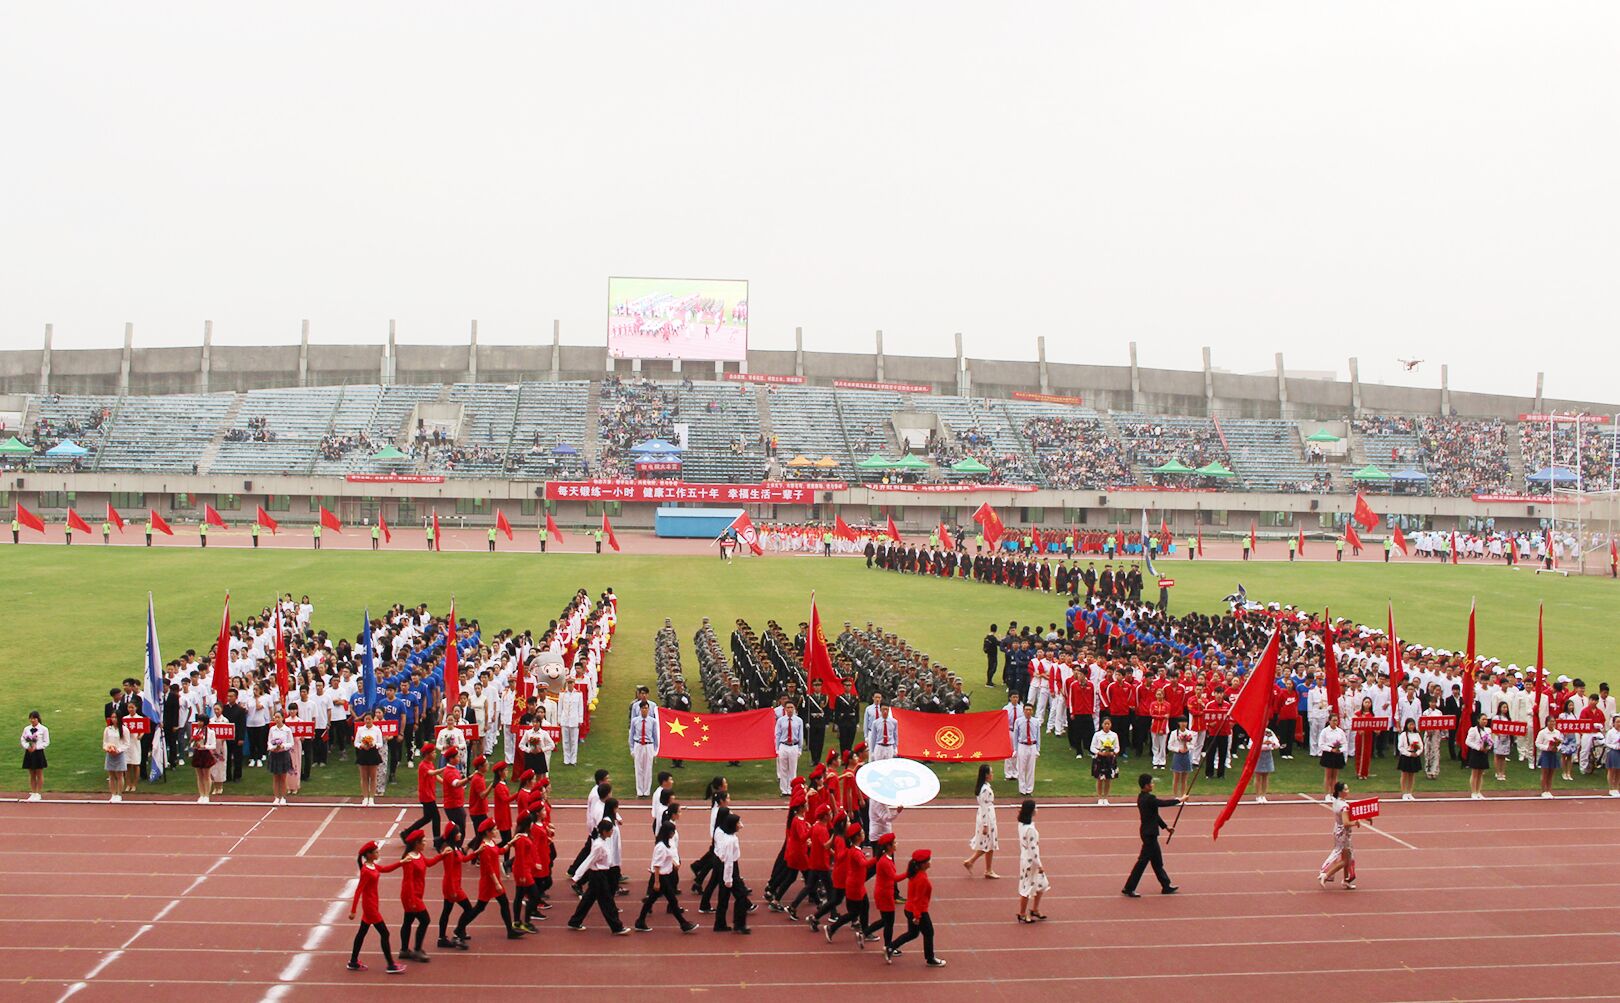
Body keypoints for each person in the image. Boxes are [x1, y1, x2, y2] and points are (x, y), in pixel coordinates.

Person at [456, 819, 524, 941]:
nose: (496, 831)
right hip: (489, 883)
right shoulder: (484, 847)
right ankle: (459, 928)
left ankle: (510, 930)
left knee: (503, 903)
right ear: (488, 832)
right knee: (479, 908)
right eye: (494, 829)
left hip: (494, 881)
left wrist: (511, 842)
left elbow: (500, 851)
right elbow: (489, 868)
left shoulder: (491, 842)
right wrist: (497, 883)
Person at [348, 840, 406, 974]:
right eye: (376, 852)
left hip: (373, 904)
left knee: (362, 933)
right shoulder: (366, 871)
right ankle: (391, 964)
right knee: (385, 933)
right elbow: (358, 890)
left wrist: (401, 862)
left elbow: (385, 869)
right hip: (370, 907)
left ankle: (353, 961)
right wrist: (353, 910)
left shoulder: (372, 866)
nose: (378, 853)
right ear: (369, 855)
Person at [1121, 773, 1179, 898]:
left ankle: (1166, 885)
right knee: (1142, 862)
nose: (1153, 785)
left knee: (1157, 861)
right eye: (1151, 783)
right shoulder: (1150, 798)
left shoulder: (1142, 797)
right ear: (1146, 786)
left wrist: (1165, 827)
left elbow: (1154, 815)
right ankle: (1129, 888)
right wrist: (1179, 800)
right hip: (1149, 835)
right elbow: (1163, 803)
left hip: (1148, 833)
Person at [636, 817, 697, 933]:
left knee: (651, 900)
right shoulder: (661, 847)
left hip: (665, 876)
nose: (674, 833)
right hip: (662, 877)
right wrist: (657, 882)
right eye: (672, 831)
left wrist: (674, 863)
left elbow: (666, 857)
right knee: (672, 900)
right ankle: (683, 924)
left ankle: (640, 921)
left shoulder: (666, 844)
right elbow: (657, 865)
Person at [569, 818, 630, 934]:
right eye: (611, 830)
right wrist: (577, 876)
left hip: (600, 874)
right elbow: (589, 860)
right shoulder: (599, 845)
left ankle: (575, 921)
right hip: (598, 876)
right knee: (607, 901)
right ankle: (617, 927)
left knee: (588, 899)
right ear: (604, 832)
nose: (612, 832)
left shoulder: (602, 842)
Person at [886, 849, 943, 967]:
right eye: (928, 860)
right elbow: (918, 899)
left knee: (912, 933)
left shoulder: (915, 874)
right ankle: (930, 958)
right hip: (918, 911)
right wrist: (917, 916)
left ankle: (891, 947)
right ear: (923, 864)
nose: (930, 862)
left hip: (909, 908)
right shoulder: (922, 878)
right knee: (929, 932)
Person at [395, 830, 440, 962]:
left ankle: (404, 950)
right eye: (423, 841)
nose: (425, 843)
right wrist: (412, 901)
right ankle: (417, 949)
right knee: (425, 920)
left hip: (417, 893)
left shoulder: (418, 855)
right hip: (411, 895)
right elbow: (408, 881)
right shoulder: (409, 859)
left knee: (408, 920)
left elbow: (428, 863)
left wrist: (442, 855)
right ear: (416, 843)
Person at [434, 824, 474, 951]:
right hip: (452, 886)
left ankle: (442, 938)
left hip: (454, 884)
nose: (460, 834)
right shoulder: (449, 851)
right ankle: (458, 933)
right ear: (453, 835)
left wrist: (476, 852)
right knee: (468, 909)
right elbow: (449, 872)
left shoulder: (455, 847)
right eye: (458, 833)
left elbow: (463, 859)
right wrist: (452, 890)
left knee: (447, 911)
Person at [711, 813, 751, 934]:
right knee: (741, 896)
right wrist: (728, 879)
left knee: (723, 897)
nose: (740, 825)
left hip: (722, 866)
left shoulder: (723, 833)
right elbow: (729, 862)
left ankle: (720, 923)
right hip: (729, 869)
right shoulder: (731, 840)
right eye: (738, 823)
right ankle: (739, 924)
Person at [1318, 781, 1358, 889]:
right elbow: (1346, 823)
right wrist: (1356, 823)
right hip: (1344, 834)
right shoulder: (1344, 806)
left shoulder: (1336, 801)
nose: (1348, 791)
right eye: (1345, 789)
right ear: (1340, 792)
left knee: (1345, 856)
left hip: (1337, 830)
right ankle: (1326, 875)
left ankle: (1346, 880)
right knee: (1346, 860)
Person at [962, 764, 1000, 878]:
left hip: (988, 815)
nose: (992, 774)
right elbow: (984, 808)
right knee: (989, 843)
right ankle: (978, 864)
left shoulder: (985, 786)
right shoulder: (985, 789)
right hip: (987, 816)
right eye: (991, 772)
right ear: (986, 775)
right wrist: (985, 824)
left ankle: (984, 867)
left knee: (989, 843)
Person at [865, 833, 901, 953]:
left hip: (886, 892)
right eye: (894, 843)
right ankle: (888, 946)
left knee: (885, 920)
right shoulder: (885, 861)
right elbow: (894, 878)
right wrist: (909, 873)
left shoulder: (886, 858)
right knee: (889, 922)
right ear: (889, 846)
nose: (896, 844)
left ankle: (865, 932)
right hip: (884, 894)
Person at [1014, 799, 1048, 922]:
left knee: (1042, 884)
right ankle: (1022, 913)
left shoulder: (1022, 825)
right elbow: (1033, 850)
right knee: (1027, 886)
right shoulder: (1030, 830)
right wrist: (1039, 865)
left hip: (1025, 857)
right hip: (1030, 861)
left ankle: (1035, 909)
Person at [354, 712, 385, 807]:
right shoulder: (360, 730)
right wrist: (361, 745)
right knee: (364, 777)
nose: (367, 721)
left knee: (373, 776)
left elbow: (380, 743)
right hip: (363, 753)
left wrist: (373, 744)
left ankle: (371, 798)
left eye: (369, 719)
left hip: (373, 753)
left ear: (372, 719)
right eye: (366, 719)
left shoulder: (377, 730)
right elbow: (356, 743)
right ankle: (365, 797)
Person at [774, 701, 804, 796]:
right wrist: (777, 749)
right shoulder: (781, 720)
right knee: (783, 769)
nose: (790, 709)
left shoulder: (799, 721)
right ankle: (784, 790)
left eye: (791, 707)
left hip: (794, 746)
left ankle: (792, 789)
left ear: (794, 708)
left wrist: (800, 749)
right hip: (783, 745)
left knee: (792, 769)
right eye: (788, 707)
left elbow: (800, 735)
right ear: (785, 709)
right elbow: (777, 735)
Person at [266, 711, 295, 805]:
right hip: (274, 754)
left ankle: (283, 797)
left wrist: (283, 746)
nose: (277, 719)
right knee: (275, 777)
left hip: (283, 754)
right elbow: (269, 741)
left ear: (283, 718)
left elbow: (291, 743)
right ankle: (276, 797)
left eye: (278, 717)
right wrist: (272, 748)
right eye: (275, 717)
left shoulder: (287, 730)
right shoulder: (272, 729)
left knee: (283, 777)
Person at [1012, 702, 1040, 796]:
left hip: (1032, 745)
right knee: (1021, 768)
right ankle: (1022, 789)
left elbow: (1038, 736)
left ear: (1032, 711)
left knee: (1031, 769)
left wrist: (1037, 749)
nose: (1028, 711)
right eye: (1026, 710)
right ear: (1023, 711)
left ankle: (1029, 789)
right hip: (1022, 745)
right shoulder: (1018, 721)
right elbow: (1016, 736)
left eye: (1030, 710)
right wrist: (1015, 749)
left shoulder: (1036, 721)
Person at [1090, 717, 1120, 804]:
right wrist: (1099, 753)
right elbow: (1092, 747)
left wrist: (1113, 753)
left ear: (1111, 725)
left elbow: (1117, 747)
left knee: (1108, 779)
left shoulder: (1114, 735)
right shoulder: (1097, 735)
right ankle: (1100, 797)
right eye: (1105, 724)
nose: (1107, 725)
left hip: (1110, 758)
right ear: (1102, 724)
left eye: (1108, 724)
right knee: (1100, 778)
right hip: (1100, 758)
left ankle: (1106, 797)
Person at [1318, 712, 1347, 799]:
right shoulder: (1325, 731)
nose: (1335, 722)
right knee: (1328, 775)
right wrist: (1331, 749)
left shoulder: (1340, 731)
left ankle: (1334, 793)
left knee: (1334, 776)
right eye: (1333, 720)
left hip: (1337, 754)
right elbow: (1321, 744)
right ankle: (1327, 794)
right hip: (1328, 754)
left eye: (1336, 720)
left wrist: (1340, 750)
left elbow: (1344, 743)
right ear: (1329, 721)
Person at [1463, 712, 1492, 800]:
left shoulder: (1488, 730)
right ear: (1478, 720)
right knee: (1475, 773)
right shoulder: (1473, 730)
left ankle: (1479, 791)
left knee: (1480, 773)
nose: (1485, 721)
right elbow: (1468, 741)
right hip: (1476, 753)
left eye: (1486, 719)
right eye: (1483, 719)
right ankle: (1473, 792)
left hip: (1484, 753)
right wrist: (1478, 748)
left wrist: (1488, 748)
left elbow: (1490, 741)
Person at [20, 711, 48, 801]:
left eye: (34, 718)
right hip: (29, 753)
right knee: (32, 774)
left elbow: (46, 742)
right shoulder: (26, 729)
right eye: (31, 718)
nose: (32, 720)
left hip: (38, 753)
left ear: (38, 719)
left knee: (39, 773)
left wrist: (36, 747)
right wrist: (27, 747)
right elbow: (23, 739)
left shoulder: (44, 729)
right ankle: (33, 792)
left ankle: (38, 793)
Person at [190, 718, 218, 803]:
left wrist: (204, 747)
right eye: (198, 721)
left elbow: (213, 745)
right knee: (199, 776)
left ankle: (206, 795)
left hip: (206, 754)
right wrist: (194, 743)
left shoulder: (211, 732)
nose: (198, 723)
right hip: (198, 753)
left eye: (200, 721)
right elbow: (192, 744)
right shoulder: (196, 731)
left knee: (206, 775)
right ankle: (201, 794)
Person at [1396, 718, 1423, 800]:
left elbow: (1421, 745)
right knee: (1404, 775)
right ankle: (1404, 793)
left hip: (1414, 755)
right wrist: (1409, 754)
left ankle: (1409, 792)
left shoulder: (1416, 734)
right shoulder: (1403, 734)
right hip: (1406, 756)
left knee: (1412, 775)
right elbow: (1400, 747)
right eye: (1410, 724)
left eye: (1413, 724)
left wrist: (1417, 753)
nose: (1411, 726)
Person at [103, 712, 128, 802]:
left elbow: (126, 743)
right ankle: (113, 794)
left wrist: (118, 750)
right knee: (111, 775)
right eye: (112, 717)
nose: (114, 719)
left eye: (116, 717)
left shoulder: (124, 729)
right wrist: (108, 749)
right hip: (110, 754)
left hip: (119, 754)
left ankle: (119, 794)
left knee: (119, 775)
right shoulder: (108, 729)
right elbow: (105, 742)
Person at [1535, 716, 1563, 798]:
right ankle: (1543, 791)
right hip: (1546, 754)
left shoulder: (1557, 732)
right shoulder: (1542, 732)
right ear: (1547, 722)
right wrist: (1547, 748)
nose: (1552, 723)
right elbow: (1537, 743)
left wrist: (1557, 748)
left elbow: (1560, 743)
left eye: (1554, 721)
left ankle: (1549, 790)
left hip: (1553, 754)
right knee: (1545, 773)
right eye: (1551, 721)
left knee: (1551, 773)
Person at [1252, 725, 1280, 802]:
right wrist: (1262, 743)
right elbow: (1251, 745)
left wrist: (1272, 743)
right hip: (1258, 754)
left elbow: (1277, 744)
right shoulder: (1256, 731)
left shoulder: (1270, 732)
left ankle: (1263, 795)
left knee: (1266, 776)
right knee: (1258, 775)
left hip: (1268, 754)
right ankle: (1258, 795)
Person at [1168, 719, 1194, 799]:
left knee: (1184, 778)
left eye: (1185, 722)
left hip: (1186, 756)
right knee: (1176, 778)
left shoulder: (1189, 733)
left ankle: (1183, 796)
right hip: (1177, 755)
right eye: (1182, 722)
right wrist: (1178, 750)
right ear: (1178, 723)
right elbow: (1169, 746)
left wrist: (1187, 748)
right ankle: (1175, 796)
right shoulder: (1174, 733)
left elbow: (1192, 745)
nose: (1183, 724)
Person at [1604, 714, 1620, 798]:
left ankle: (1616, 787)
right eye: (1617, 722)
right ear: (1613, 723)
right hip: (1613, 752)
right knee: (1612, 770)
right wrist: (1615, 747)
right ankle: (1611, 788)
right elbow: (1607, 743)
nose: (1619, 724)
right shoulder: (1610, 732)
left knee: (1619, 771)